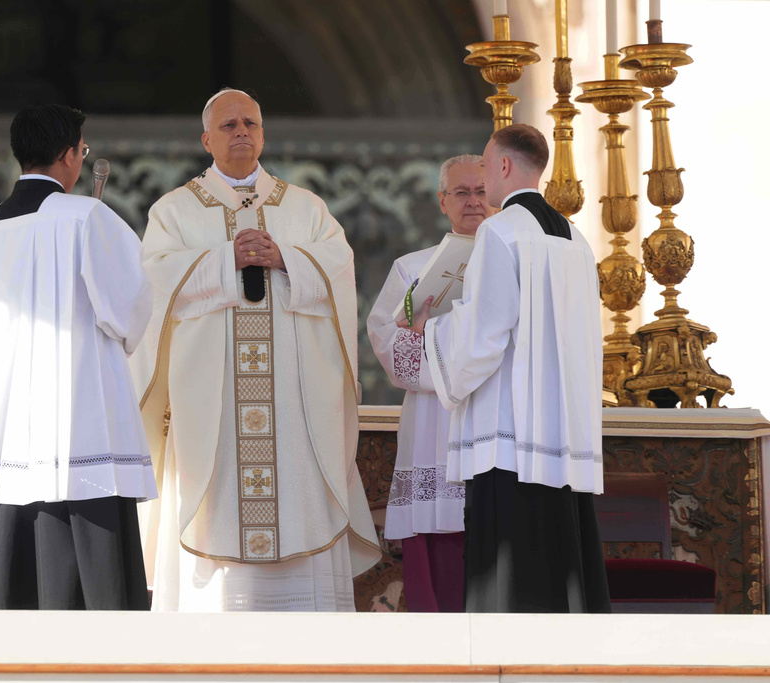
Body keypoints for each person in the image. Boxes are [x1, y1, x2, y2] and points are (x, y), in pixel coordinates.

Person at [132, 88, 380, 612]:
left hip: (293, 404)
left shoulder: (305, 207)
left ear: (263, 134)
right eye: (228, 125)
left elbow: (339, 269)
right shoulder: (174, 211)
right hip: (213, 406)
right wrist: (225, 260)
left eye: (250, 123)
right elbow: (152, 283)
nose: (241, 131)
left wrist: (288, 258)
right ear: (206, 139)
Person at [408, 124, 610, 613]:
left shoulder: (501, 231)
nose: (482, 175)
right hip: (560, 433)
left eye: (484, 163)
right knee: (560, 558)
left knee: (510, 574)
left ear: (502, 165)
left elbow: (485, 335)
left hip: (508, 432)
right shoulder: (575, 238)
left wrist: (432, 329)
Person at [0, 104, 155, 610]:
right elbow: (130, 309)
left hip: (9, 435)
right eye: (82, 149)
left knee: (16, 588)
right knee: (96, 593)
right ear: (71, 155)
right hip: (79, 425)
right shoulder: (88, 216)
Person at [366, 154, 495, 612]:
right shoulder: (411, 269)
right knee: (438, 557)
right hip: (436, 421)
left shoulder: (517, 262)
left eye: (481, 191)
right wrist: (422, 336)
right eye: (462, 192)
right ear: (442, 201)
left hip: (495, 415)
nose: (474, 202)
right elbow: (386, 341)